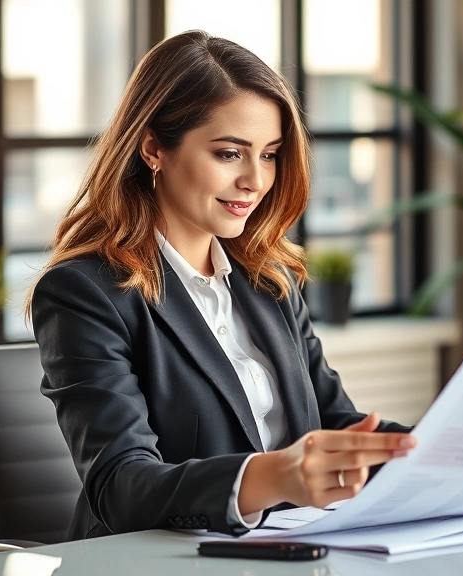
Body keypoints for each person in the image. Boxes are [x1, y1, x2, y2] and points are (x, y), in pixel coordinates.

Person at [26, 30, 416, 541]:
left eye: (271, 154)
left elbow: (336, 425)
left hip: (286, 549)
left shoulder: (268, 280)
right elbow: (122, 487)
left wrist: (455, 447)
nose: (256, 179)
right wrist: (275, 476)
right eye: (230, 153)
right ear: (152, 149)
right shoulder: (84, 291)